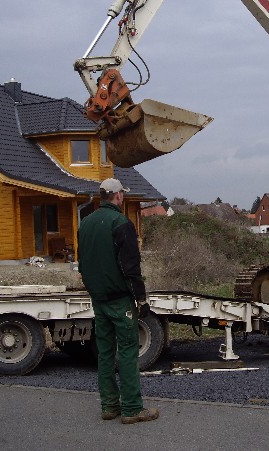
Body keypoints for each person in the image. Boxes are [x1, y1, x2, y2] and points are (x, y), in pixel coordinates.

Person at [78, 177, 159, 425]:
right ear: (119, 196)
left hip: (99, 299)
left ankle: (109, 406)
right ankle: (132, 408)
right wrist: (141, 298)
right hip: (120, 300)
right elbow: (131, 267)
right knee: (127, 352)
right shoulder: (121, 223)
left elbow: (83, 264)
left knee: (104, 353)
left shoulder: (86, 224)